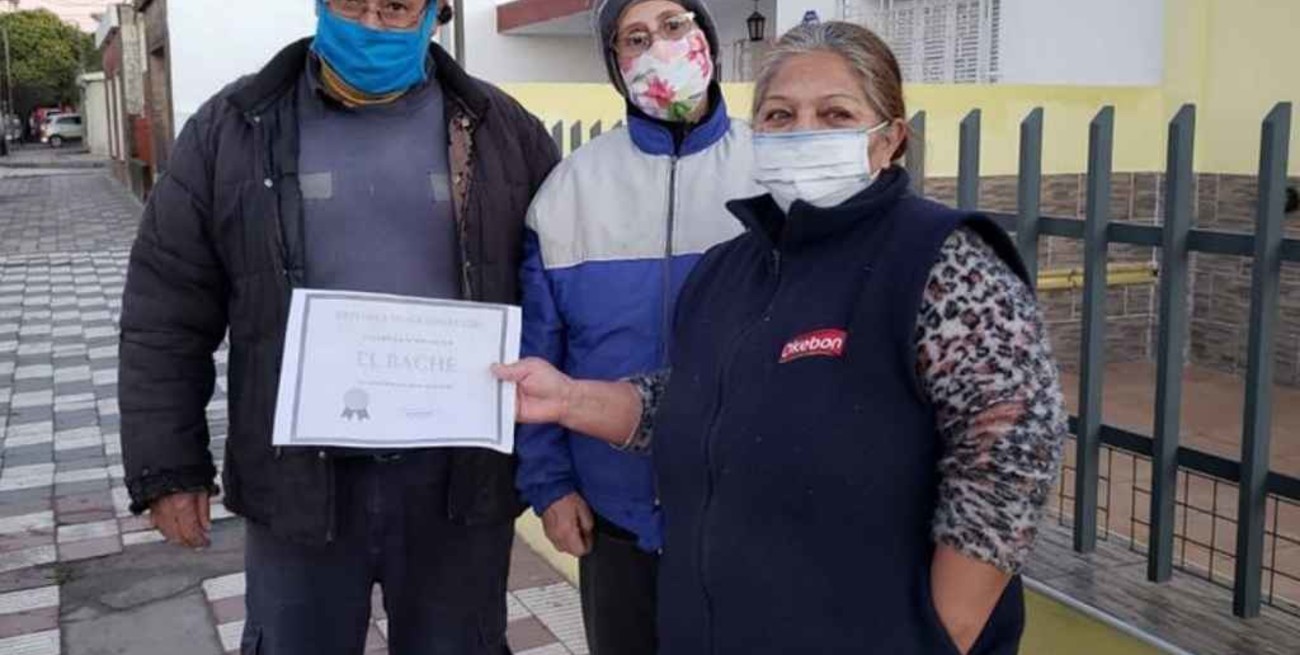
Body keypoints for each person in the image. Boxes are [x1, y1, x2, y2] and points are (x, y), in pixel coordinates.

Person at [497, 20, 1067, 655]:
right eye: (779, 114)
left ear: (889, 140)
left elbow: (1010, 454)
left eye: (835, 114)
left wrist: (939, 636)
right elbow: (689, 400)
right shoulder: (729, 269)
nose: (804, 132)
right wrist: (568, 399)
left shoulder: (942, 261)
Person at [118, 1, 559, 653]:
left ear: (435, 13)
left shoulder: (503, 131)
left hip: (459, 485)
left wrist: (560, 469)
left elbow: (557, 295)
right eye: (354, 3)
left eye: (396, 7)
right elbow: (166, 308)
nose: (373, 25)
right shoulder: (235, 128)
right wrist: (169, 467)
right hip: (297, 485)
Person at [515, 1, 759, 653]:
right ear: (614, 65)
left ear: (706, 37)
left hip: (755, 515)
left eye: (676, 26)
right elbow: (538, 353)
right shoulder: (571, 189)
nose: (660, 47)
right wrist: (550, 484)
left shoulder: (774, 173)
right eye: (635, 37)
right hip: (617, 519)